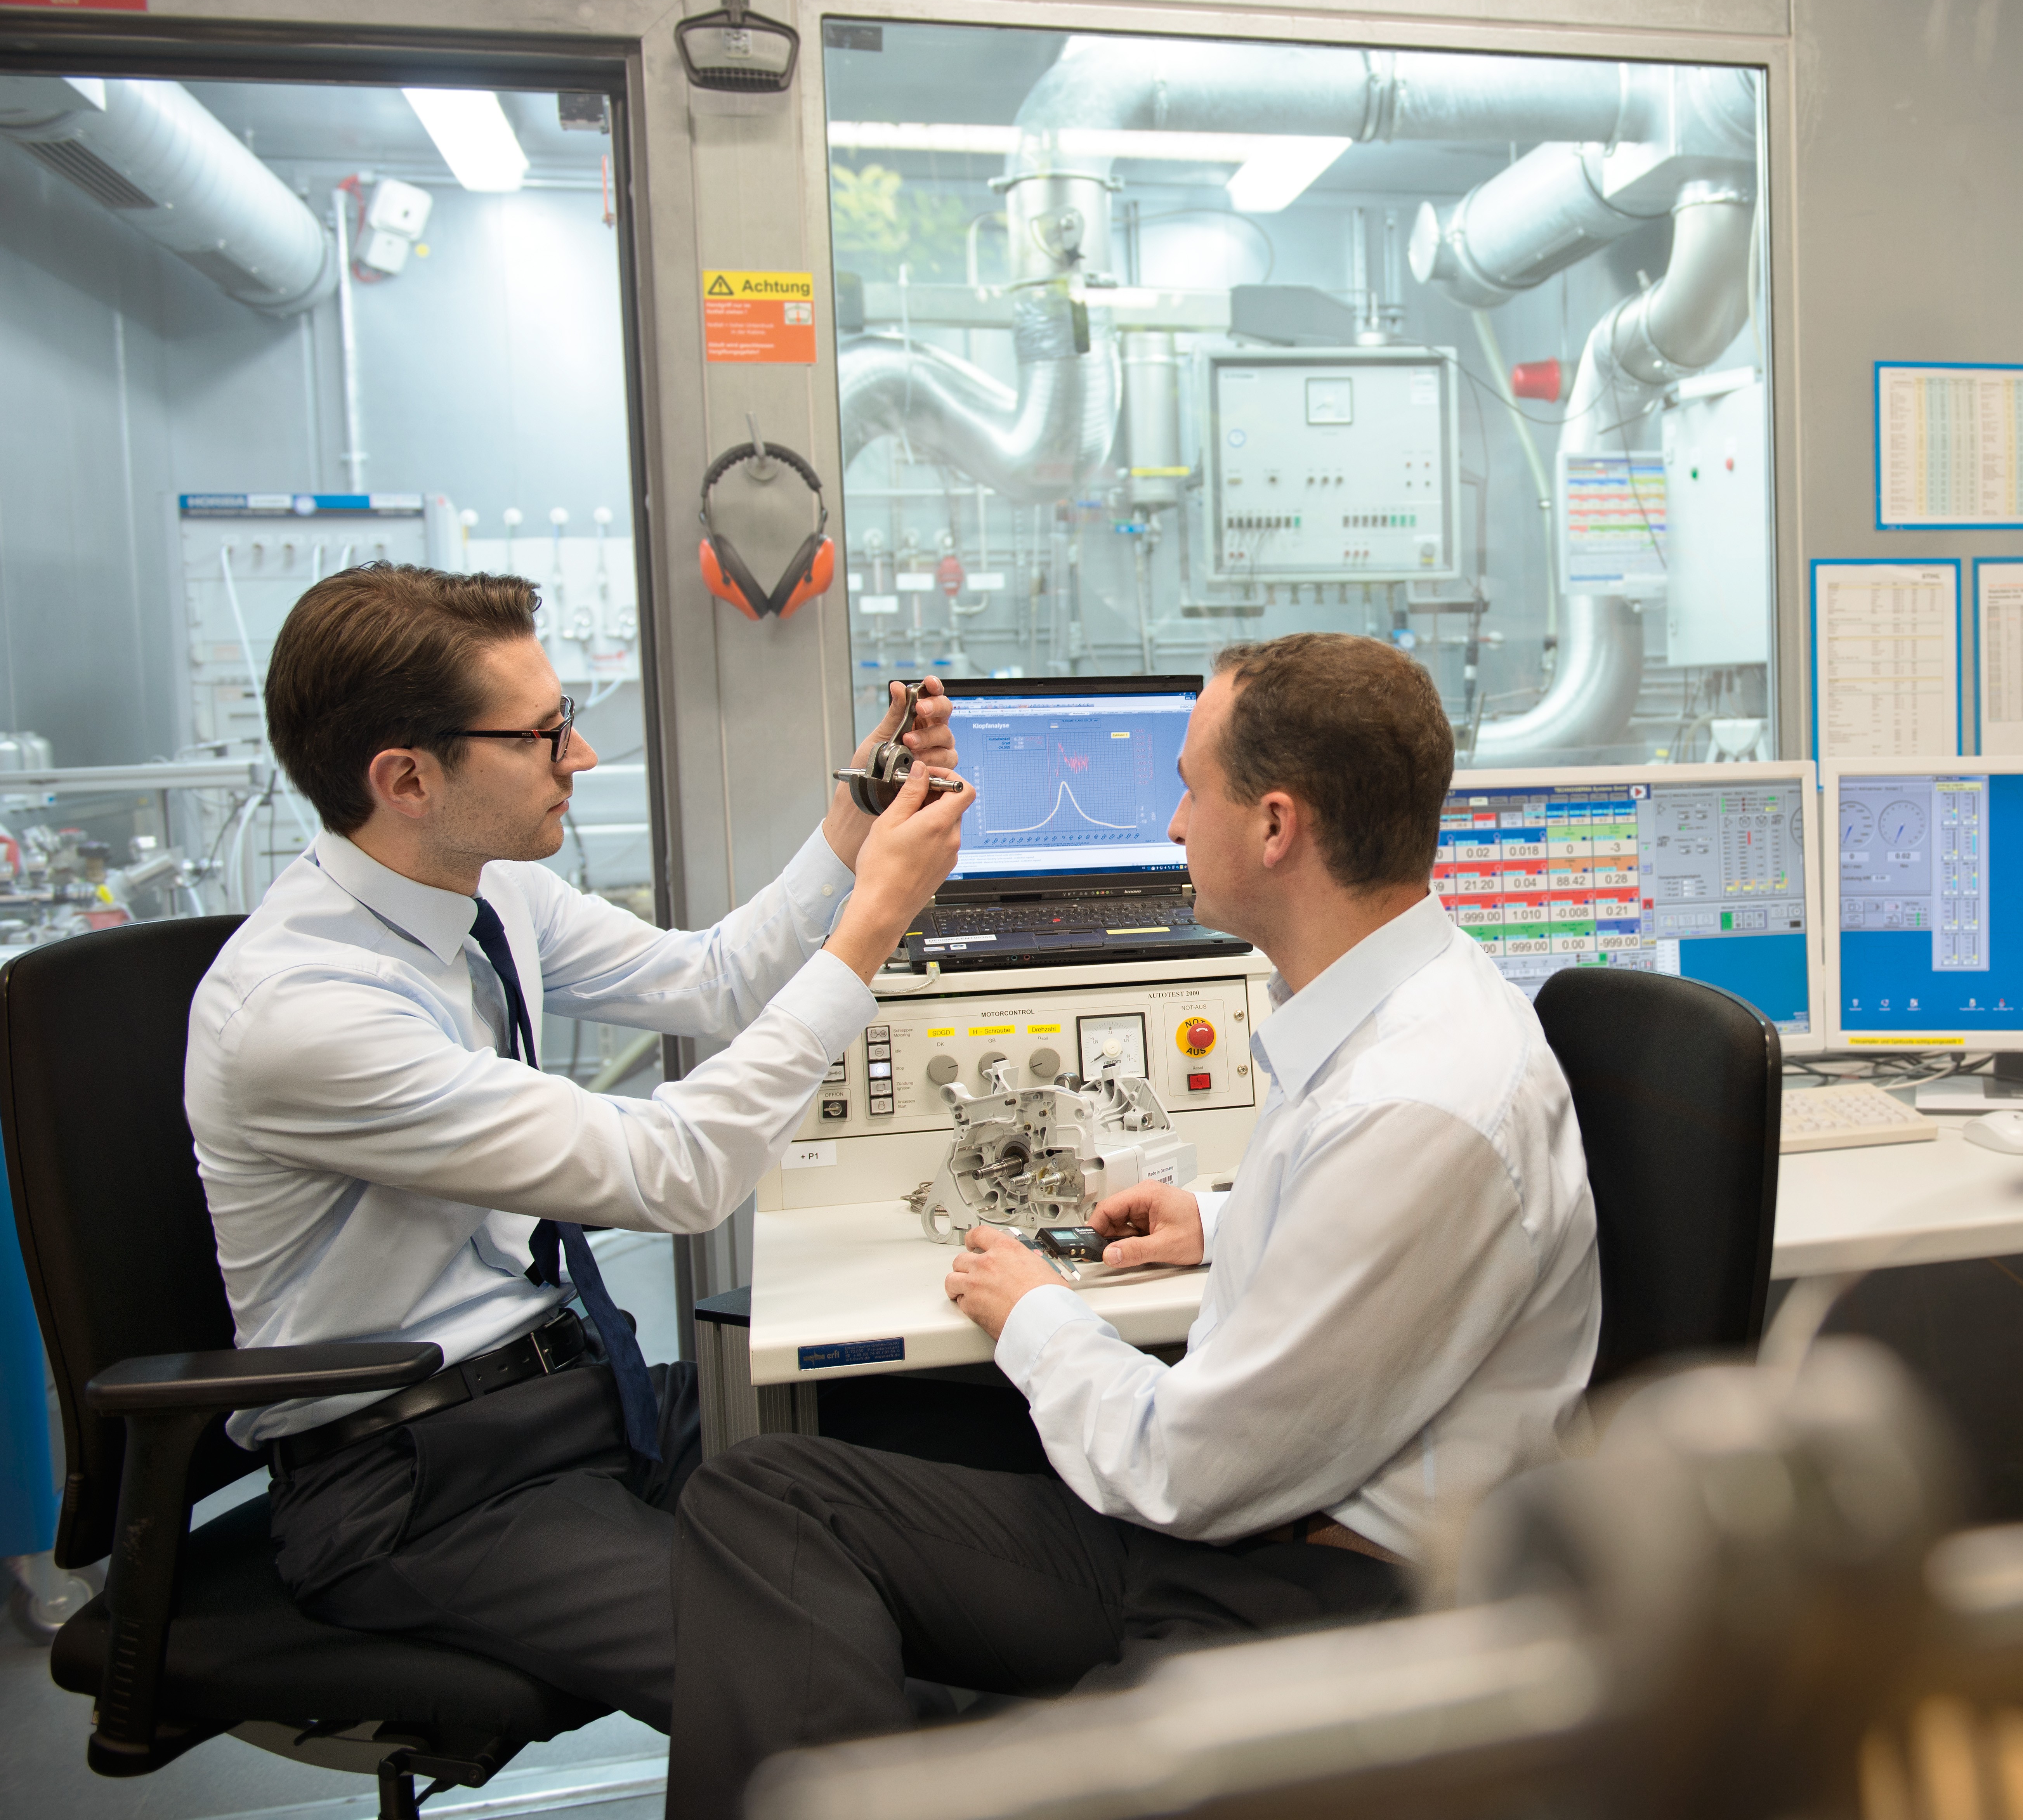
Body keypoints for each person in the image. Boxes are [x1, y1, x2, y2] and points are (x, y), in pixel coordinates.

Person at [663, 633, 1600, 1818]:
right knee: (764, 1500)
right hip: (1252, 1523)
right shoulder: (1379, 1013)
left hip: (1319, 1601)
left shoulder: (1423, 1098)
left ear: (1274, 827)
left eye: (1186, 790)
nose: (1167, 827)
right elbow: (1367, 1224)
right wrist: (1217, 1218)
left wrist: (1039, 1318)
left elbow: (1187, 1468)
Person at [188, 563, 974, 1731]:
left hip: (581, 1400)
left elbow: (707, 981)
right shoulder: (307, 1012)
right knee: (822, 1683)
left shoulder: (485, 889)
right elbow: (674, 1175)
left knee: (957, 1453)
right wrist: (872, 926)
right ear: (406, 778)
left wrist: (854, 829)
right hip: (423, 1482)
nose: (582, 760)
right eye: (546, 735)